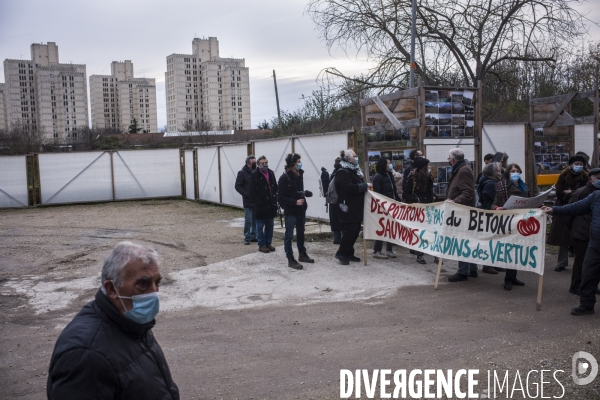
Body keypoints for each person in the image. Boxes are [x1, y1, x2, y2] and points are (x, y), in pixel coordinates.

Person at [47, 242, 179, 399]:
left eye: (157, 282)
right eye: (143, 283)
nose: (154, 293)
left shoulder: (131, 323)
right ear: (112, 289)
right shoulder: (85, 354)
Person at [543, 184, 600, 315]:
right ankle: (586, 305)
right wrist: (553, 210)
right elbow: (576, 207)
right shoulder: (597, 196)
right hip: (595, 246)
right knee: (588, 275)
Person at [547, 155, 588, 272]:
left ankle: (579, 264)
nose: (579, 166)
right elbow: (559, 193)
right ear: (571, 165)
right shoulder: (563, 176)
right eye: (576, 164)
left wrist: (571, 192)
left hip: (579, 211)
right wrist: (574, 193)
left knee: (578, 238)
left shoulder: (585, 177)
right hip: (563, 209)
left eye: (581, 164)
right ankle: (561, 263)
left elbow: (585, 193)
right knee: (563, 238)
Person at [493, 163, 529, 290]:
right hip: (508, 222)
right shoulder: (501, 186)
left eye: (517, 170)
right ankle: (508, 279)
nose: (515, 173)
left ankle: (513, 276)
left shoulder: (524, 186)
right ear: (508, 172)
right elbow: (494, 204)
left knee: (518, 250)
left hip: (522, 221)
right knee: (510, 251)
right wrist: (498, 208)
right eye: (513, 171)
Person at [565, 168, 600, 295]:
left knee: (593, 265)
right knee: (581, 262)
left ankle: (591, 286)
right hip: (582, 232)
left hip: (592, 234)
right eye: (598, 177)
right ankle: (576, 286)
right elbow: (570, 211)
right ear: (591, 179)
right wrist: (574, 229)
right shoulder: (582, 192)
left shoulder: (597, 193)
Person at [445, 148, 478, 282]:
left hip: (463, 211)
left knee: (462, 240)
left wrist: (454, 201)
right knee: (468, 240)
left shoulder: (463, 170)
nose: (449, 161)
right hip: (463, 210)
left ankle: (464, 271)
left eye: (449, 159)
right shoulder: (463, 168)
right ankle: (472, 269)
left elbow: (468, 192)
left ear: (452, 160)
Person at [334, 149, 372, 265]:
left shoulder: (355, 170)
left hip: (355, 206)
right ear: (349, 159)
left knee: (355, 230)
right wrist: (364, 186)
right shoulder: (342, 172)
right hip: (346, 207)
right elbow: (349, 187)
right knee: (350, 230)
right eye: (354, 156)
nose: (356, 157)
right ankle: (341, 252)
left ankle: (349, 253)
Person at [278, 153, 314, 270]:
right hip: (291, 211)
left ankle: (302, 253)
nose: (300, 163)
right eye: (298, 161)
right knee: (289, 235)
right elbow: (281, 197)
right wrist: (294, 202)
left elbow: (297, 191)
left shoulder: (299, 175)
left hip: (301, 210)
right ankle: (290, 258)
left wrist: (305, 194)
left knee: (300, 233)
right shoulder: (284, 178)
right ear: (292, 163)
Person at [403, 157, 438, 264]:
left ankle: (435, 254)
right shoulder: (412, 178)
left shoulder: (429, 178)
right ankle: (420, 255)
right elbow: (405, 194)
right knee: (420, 233)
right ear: (423, 167)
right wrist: (417, 199)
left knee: (432, 231)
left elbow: (429, 191)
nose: (430, 167)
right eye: (428, 165)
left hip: (429, 208)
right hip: (418, 210)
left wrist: (433, 196)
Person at [477, 162, 504, 274]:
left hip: (490, 213)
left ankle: (494, 264)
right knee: (491, 240)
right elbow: (495, 198)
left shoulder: (488, 180)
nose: (500, 172)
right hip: (490, 214)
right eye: (498, 170)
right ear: (492, 172)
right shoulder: (490, 184)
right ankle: (488, 265)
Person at [371, 157, 400, 259]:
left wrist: (398, 201)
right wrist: (383, 204)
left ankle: (389, 249)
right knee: (382, 228)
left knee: (391, 227)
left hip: (392, 205)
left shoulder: (390, 175)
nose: (390, 165)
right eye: (388, 163)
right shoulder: (378, 177)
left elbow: (394, 190)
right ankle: (377, 250)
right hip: (383, 206)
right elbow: (377, 193)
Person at [249, 156, 278, 254]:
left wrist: (275, 198)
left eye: (266, 162)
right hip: (261, 206)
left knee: (270, 224)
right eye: (262, 163)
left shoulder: (271, 173)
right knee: (260, 226)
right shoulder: (254, 175)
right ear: (258, 165)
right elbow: (252, 192)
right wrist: (259, 202)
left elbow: (275, 186)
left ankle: (268, 243)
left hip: (270, 205)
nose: (264, 164)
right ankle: (262, 244)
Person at [235, 155, 257, 245]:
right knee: (248, 219)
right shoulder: (242, 173)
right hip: (248, 200)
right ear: (248, 163)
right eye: (253, 162)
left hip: (256, 200)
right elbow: (237, 186)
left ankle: (253, 236)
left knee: (255, 219)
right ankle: (247, 237)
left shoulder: (256, 172)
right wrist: (246, 194)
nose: (255, 164)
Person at [329, 157, 343, 244]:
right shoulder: (341, 173)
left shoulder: (332, 173)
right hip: (340, 199)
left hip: (333, 200)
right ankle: (342, 238)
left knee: (334, 219)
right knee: (342, 219)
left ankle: (336, 238)